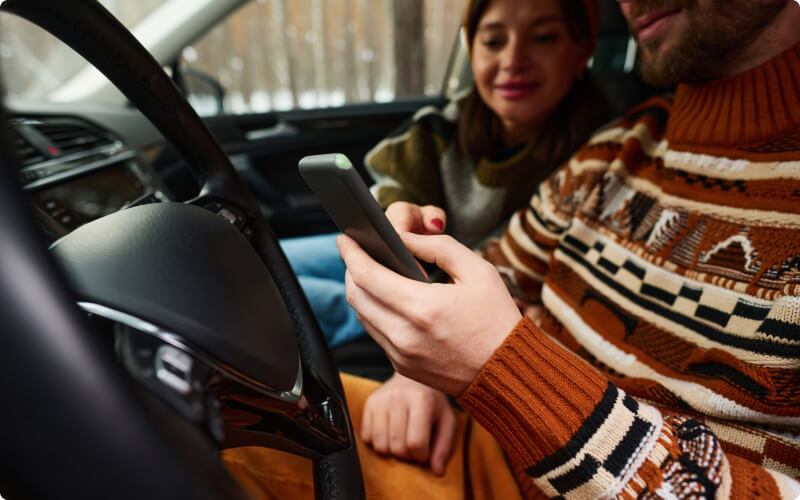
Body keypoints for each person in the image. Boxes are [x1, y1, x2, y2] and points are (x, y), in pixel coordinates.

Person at [224, 0, 800, 497]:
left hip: (505, 456)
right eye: (491, 40)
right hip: (471, 447)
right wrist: (427, 372)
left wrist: (505, 375)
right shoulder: (619, 148)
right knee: (209, 395)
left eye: (545, 37)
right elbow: (499, 274)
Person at [282, 0, 609, 348]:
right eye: (493, 42)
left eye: (543, 38)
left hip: (454, 303)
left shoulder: (607, 151)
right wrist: (398, 210)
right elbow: (397, 185)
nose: (513, 60)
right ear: (472, 50)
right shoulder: (440, 126)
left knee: (256, 290)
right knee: (258, 260)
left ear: (582, 52)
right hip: (405, 262)